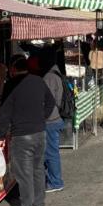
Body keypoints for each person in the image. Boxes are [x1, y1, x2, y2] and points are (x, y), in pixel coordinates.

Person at [0, 55, 55, 206]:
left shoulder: (11, 85)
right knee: (37, 170)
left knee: (24, 174)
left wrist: (1, 136)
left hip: (21, 136)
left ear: (13, 69)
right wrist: (41, 119)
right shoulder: (38, 81)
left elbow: (5, 113)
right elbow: (51, 103)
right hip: (39, 133)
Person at [41, 47, 65, 194]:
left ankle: (55, 182)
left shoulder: (49, 77)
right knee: (51, 152)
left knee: (50, 153)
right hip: (55, 118)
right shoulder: (55, 73)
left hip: (50, 120)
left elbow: (48, 101)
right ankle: (53, 180)